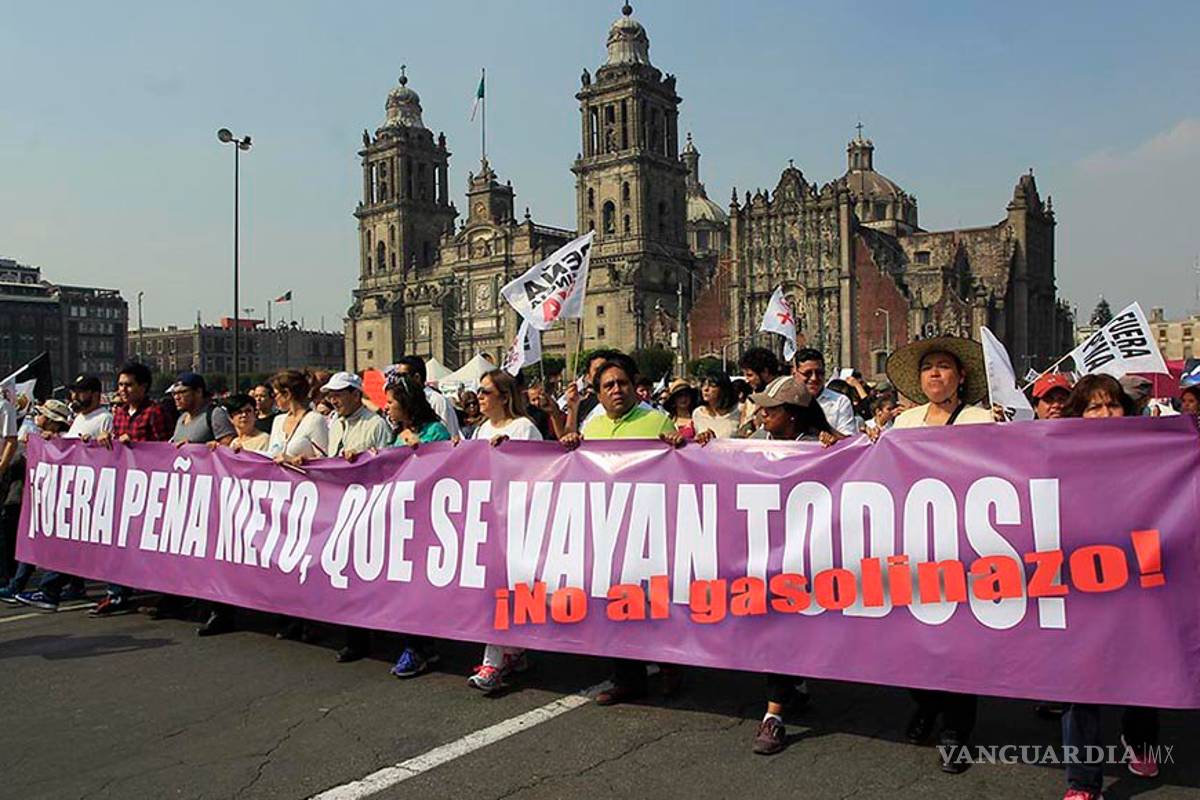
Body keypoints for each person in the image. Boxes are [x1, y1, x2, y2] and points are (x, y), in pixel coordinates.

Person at [881, 335, 992, 773]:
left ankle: (955, 730)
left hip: (964, 547)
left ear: (960, 377)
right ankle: (927, 702)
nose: (935, 374)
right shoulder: (904, 423)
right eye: (928, 367)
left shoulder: (981, 420)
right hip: (913, 545)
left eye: (944, 366)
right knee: (912, 640)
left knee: (959, 642)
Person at [716, 377, 838, 754]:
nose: (763, 413)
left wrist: (840, 444)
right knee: (776, 630)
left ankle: (775, 715)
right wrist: (704, 444)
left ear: (794, 414)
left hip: (807, 557)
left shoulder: (818, 446)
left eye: (772, 408)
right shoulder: (757, 443)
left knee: (785, 629)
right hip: (764, 555)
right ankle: (789, 691)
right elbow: (723, 464)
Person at [561, 353, 685, 705]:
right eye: (608, 385)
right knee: (615, 606)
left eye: (622, 383)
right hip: (608, 530)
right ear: (598, 394)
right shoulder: (593, 427)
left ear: (634, 387)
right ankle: (627, 680)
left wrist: (678, 445)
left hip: (649, 529)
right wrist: (571, 443)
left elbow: (684, 467)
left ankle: (671, 665)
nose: (616, 390)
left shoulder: (656, 421)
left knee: (654, 604)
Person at [1058, 374, 1159, 800]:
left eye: (1112, 404)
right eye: (1093, 407)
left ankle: (1141, 740)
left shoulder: (1151, 449)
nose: (1104, 413)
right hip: (1080, 575)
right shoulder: (1055, 453)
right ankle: (1083, 782)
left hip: (1140, 570)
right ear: (1078, 414)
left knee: (1145, 665)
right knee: (1081, 677)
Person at [466, 369, 543, 695]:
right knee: (499, 590)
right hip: (489, 518)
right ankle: (513, 650)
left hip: (517, 518)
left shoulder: (524, 427)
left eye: (485, 391)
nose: (479, 397)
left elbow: (541, 470)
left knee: (504, 589)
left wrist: (510, 452)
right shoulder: (481, 429)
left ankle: (493, 662)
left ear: (504, 396)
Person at [320, 371, 394, 662]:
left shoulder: (375, 424)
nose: (334, 400)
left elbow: (388, 467)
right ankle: (354, 636)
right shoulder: (334, 424)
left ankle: (368, 634)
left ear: (355, 394)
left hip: (367, 509)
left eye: (338, 394)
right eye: (331, 395)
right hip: (340, 507)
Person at [90, 362, 173, 617]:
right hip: (124, 487)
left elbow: (164, 448)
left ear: (143, 386)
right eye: (120, 385)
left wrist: (136, 444)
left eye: (129, 385)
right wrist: (106, 440)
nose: (123, 390)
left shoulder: (154, 412)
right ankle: (116, 592)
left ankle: (162, 594)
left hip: (150, 487)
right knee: (118, 540)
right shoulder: (119, 413)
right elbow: (114, 445)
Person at [383, 374, 452, 678]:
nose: (387, 408)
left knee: (416, 587)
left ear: (406, 404)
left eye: (391, 402)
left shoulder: (435, 430)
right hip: (402, 518)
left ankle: (417, 647)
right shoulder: (396, 434)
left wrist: (420, 448)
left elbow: (445, 467)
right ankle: (422, 645)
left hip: (427, 519)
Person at [1, 400, 71, 607]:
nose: (37, 417)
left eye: (42, 414)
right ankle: (17, 585)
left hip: (57, 501)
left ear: (53, 421)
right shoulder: (39, 439)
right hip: (39, 499)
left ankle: (48, 588)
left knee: (55, 546)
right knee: (31, 541)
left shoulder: (65, 441)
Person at [267, 370, 329, 467]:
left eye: (275, 394)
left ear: (287, 394)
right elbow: (270, 455)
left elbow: (326, 461)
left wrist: (294, 461)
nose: (274, 399)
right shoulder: (278, 420)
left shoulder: (315, 420)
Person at [791, 348, 857, 436]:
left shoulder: (840, 402)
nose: (814, 378)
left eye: (819, 373)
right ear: (795, 373)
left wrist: (830, 434)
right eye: (808, 373)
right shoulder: (786, 400)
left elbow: (849, 440)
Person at [395, 355, 462, 438]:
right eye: (397, 376)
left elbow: (447, 435)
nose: (399, 380)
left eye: (403, 376)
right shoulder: (403, 402)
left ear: (417, 377)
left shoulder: (436, 401)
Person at [692, 371, 742, 441]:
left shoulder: (739, 411)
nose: (706, 389)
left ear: (723, 389)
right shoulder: (698, 413)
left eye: (712, 385)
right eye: (703, 385)